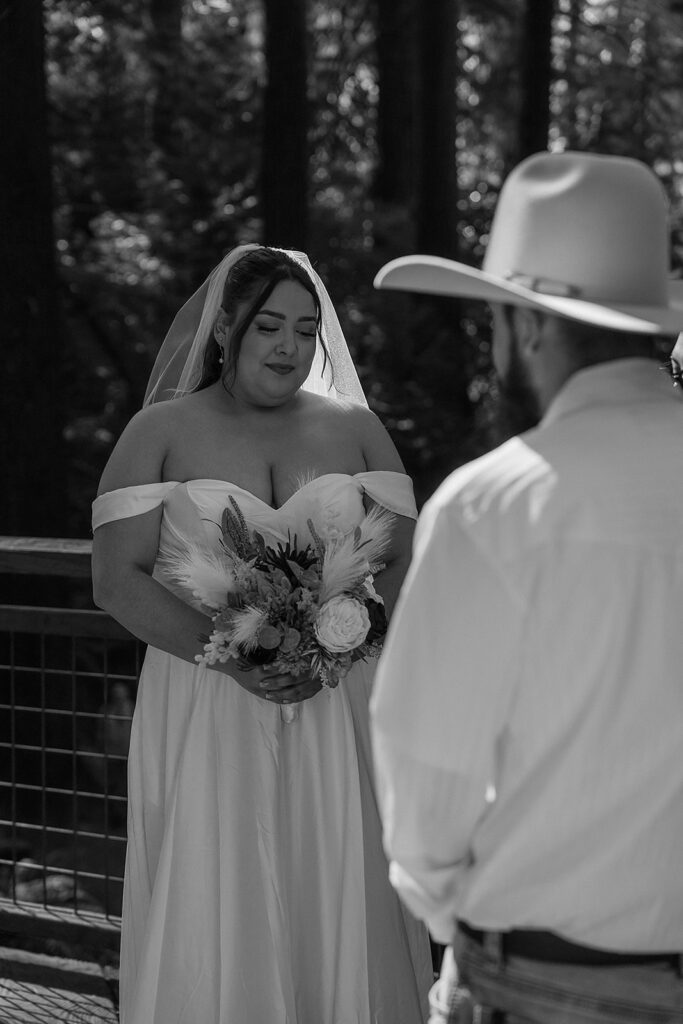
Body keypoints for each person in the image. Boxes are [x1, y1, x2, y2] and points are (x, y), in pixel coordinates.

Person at [369, 151, 683, 1022]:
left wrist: (458, 921)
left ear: (531, 329)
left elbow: (426, 770)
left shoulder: (494, 505)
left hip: (546, 979)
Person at [91, 244, 432, 1024]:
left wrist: (347, 644)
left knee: (338, 881)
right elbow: (116, 578)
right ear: (223, 332)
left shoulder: (357, 430)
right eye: (268, 326)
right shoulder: (161, 431)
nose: (288, 347)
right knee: (220, 882)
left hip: (335, 701)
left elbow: (410, 561)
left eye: (305, 330)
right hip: (207, 703)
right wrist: (232, 658)